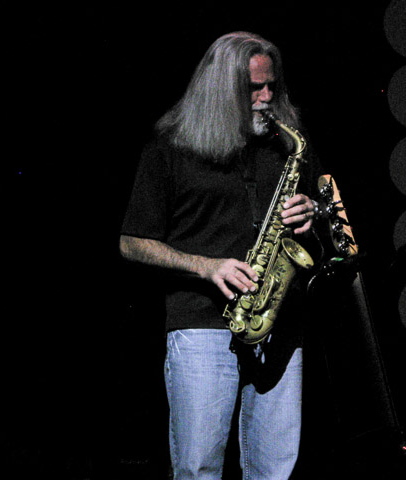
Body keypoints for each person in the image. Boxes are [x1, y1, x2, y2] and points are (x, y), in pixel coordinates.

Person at [119, 31, 322, 480]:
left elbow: (319, 227)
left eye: (272, 86)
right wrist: (206, 266)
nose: (266, 99)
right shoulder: (170, 147)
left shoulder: (287, 145)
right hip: (202, 325)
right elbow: (132, 242)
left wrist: (310, 213)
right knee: (199, 468)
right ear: (220, 88)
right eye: (254, 89)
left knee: (275, 470)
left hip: (278, 322)